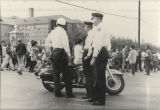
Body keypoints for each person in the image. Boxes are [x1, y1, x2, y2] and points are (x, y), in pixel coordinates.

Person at [45, 17, 74, 98]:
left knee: (56, 74)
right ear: (64, 25)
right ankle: (69, 93)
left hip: (54, 53)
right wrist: (69, 55)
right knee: (67, 74)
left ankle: (57, 93)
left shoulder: (52, 32)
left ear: (57, 24)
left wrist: (51, 48)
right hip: (61, 53)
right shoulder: (63, 32)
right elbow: (65, 45)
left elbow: (46, 42)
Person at [87, 13, 111, 105]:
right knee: (98, 77)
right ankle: (97, 98)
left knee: (100, 78)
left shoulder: (100, 28)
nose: (93, 20)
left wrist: (94, 57)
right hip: (102, 52)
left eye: (94, 18)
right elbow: (108, 44)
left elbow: (98, 43)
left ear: (99, 18)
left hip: (100, 52)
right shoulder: (101, 28)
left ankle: (101, 100)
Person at [82, 21, 94, 99]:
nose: (84, 27)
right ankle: (89, 93)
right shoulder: (91, 33)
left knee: (87, 75)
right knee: (88, 75)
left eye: (85, 26)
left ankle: (89, 94)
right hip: (87, 53)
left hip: (87, 54)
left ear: (88, 26)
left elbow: (90, 46)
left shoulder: (90, 34)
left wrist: (88, 55)